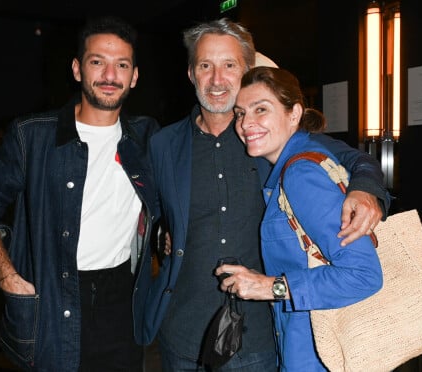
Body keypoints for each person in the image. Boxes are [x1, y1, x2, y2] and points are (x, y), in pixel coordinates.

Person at [133, 18, 390, 371]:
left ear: (246, 72)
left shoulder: (271, 141)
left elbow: (353, 158)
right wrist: (163, 230)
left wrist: (367, 190)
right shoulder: (164, 145)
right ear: (191, 73)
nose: (217, 78)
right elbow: (160, 210)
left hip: (262, 335)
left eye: (229, 65)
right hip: (182, 332)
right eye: (205, 65)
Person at [0, 16, 159, 371]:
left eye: (122, 65)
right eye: (98, 62)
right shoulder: (32, 137)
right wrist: (7, 275)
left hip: (122, 299)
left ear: (135, 76)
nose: (110, 75)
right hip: (53, 294)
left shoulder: (145, 138)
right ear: (78, 69)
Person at [217, 66, 383, 370]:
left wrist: (270, 287)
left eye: (261, 110)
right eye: (240, 113)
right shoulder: (288, 166)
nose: (246, 124)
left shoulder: (301, 174)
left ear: (294, 113)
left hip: (321, 355)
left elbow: (364, 275)